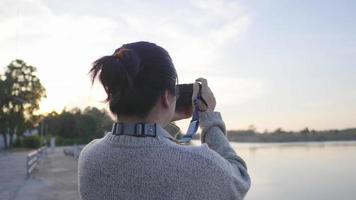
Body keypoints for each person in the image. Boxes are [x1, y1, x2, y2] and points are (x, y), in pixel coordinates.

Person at [78, 41, 251, 200]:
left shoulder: (89, 156)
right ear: (166, 98)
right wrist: (208, 117)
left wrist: (161, 116)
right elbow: (240, 179)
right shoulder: (199, 164)